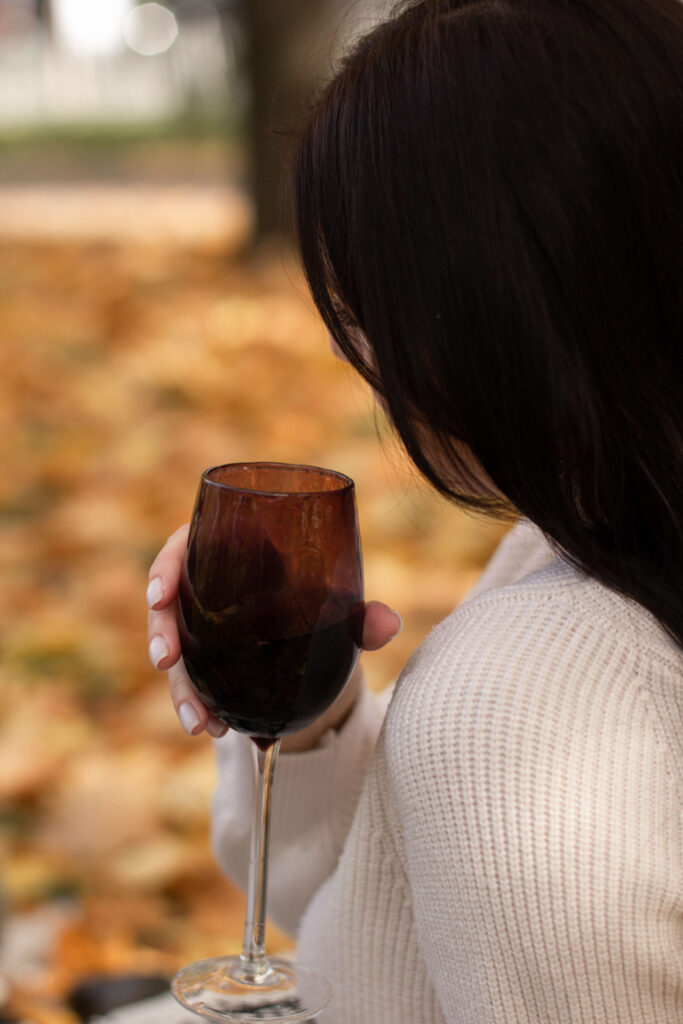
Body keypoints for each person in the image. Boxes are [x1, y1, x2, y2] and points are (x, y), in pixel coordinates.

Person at [147, 0, 683, 1020]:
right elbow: (378, 901)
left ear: (502, 309)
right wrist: (306, 720)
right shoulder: (576, 545)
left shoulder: (532, 690)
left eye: (372, 305)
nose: (364, 354)